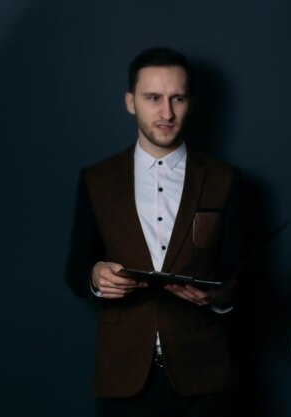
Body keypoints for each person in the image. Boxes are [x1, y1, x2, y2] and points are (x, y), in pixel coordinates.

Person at [66, 46, 241, 417]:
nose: (166, 113)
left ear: (190, 102)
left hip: (205, 376)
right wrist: (95, 277)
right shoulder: (96, 180)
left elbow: (240, 275)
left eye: (177, 98)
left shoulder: (226, 179)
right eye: (153, 98)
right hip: (122, 374)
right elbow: (76, 267)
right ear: (131, 102)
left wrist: (220, 297)